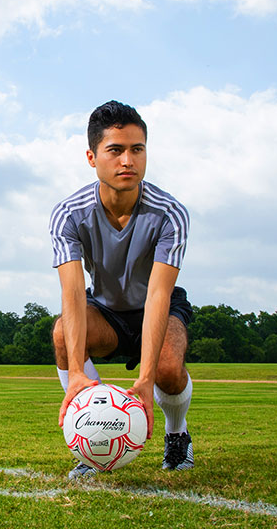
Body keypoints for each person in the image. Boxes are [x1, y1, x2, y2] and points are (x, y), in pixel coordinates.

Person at [49, 100, 194, 479]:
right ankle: (91, 436)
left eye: (137, 149)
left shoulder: (170, 213)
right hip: (106, 310)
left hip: (155, 305)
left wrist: (145, 380)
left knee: (167, 370)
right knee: (63, 332)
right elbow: (73, 295)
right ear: (92, 157)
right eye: (115, 150)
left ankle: (176, 435)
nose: (128, 160)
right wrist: (78, 373)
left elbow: (160, 295)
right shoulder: (68, 213)